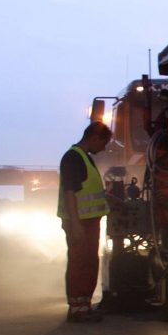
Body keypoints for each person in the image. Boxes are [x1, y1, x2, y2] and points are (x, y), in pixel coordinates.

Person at [58, 121, 113, 322]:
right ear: (94, 138)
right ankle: (77, 309)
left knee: (89, 262)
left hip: (86, 221)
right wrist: (75, 224)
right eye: (104, 143)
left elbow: (88, 190)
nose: (104, 148)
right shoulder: (74, 158)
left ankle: (84, 305)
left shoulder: (84, 158)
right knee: (80, 263)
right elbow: (70, 192)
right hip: (80, 222)